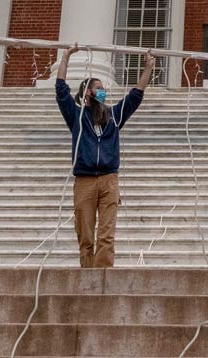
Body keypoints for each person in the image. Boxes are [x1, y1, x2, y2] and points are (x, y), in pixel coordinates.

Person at [54, 48, 152, 268]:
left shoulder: (114, 115)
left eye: (104, 89)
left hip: (109, 179)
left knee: (107, 235)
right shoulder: (77, 115)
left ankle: (104, 278)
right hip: (85, 181)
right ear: (88, 92)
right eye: (99, 88)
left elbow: (135, 96)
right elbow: (60, 90)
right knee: (86, 236)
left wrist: (147, 68)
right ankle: (87, 278)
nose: (103, 92)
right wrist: (66, 58)